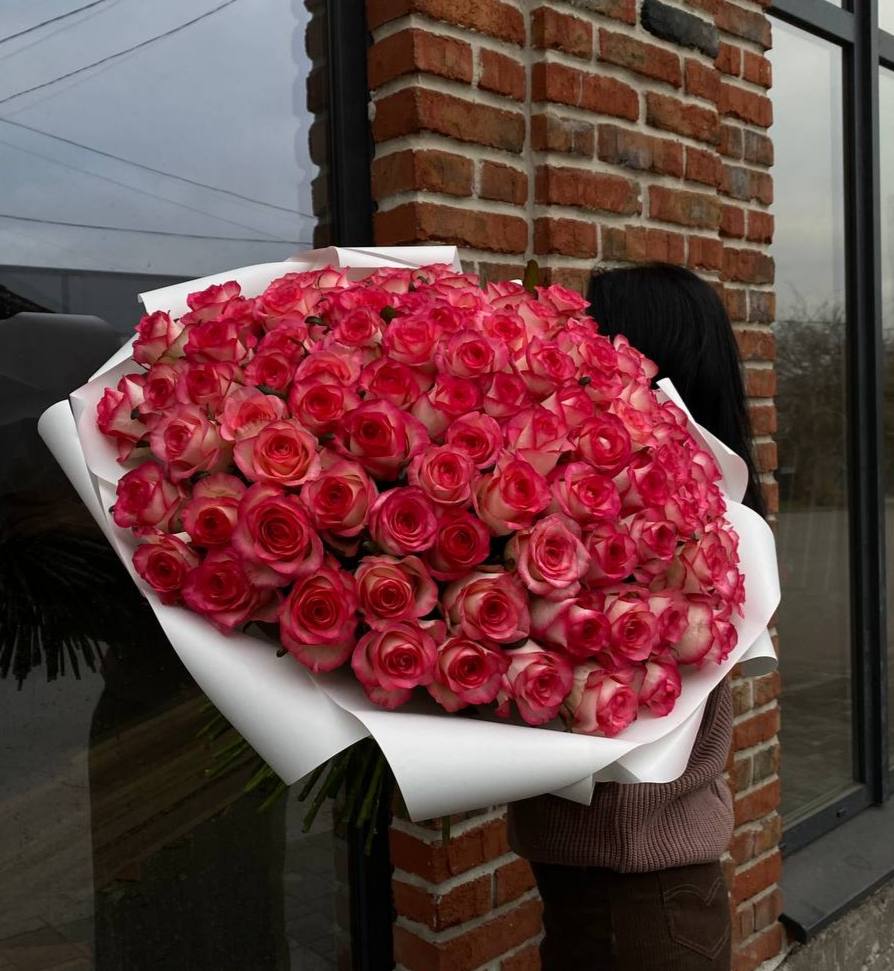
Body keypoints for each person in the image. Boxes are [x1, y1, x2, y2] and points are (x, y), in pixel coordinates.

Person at [507, 263, 767, 971]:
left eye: (596, 337)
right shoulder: (684, 507)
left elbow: (627, 753)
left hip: (636, 898)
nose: (577, 352)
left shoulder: (675, 526)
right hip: (631, 893)